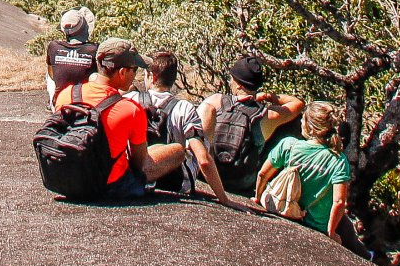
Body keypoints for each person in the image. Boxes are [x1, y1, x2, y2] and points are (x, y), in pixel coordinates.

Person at [54, 38, 191, 198]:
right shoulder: (130, 109)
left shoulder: (66, 94)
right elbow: (140, 164)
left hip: (67, 179)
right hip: (109, 187)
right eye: (134, 70)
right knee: (177, 151)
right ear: (122, 72)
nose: (135, 75)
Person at [254, 103, 365, 252]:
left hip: (281, 208)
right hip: (317, 224)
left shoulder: (289, 145)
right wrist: (331, 232)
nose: (300, 122)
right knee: (350, 233)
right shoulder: (338, 160)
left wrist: (257, 198)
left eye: (303, 119)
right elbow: (338, 202)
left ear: (311, 128)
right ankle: (371, 256)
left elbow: (263, 174)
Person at [128, 50, 231, 203]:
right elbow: (203, 160)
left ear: (151, 77)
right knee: (192, 144)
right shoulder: (184, 108)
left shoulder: (130, 99)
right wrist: (225, 199)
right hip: (174, 182)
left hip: (136, 173)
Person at [199, 55, 304, 192]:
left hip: (205, 174)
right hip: (240, 182)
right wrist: (266, 96)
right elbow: (298, 103)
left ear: (239, 84)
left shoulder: (215, 101)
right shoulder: (268, 115)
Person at [45, 7, 97, 108]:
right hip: (86, 104)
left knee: (50, 70)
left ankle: (51, 102)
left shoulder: (53, 46)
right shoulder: (94, 49)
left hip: (60, 104)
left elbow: (52, 74)